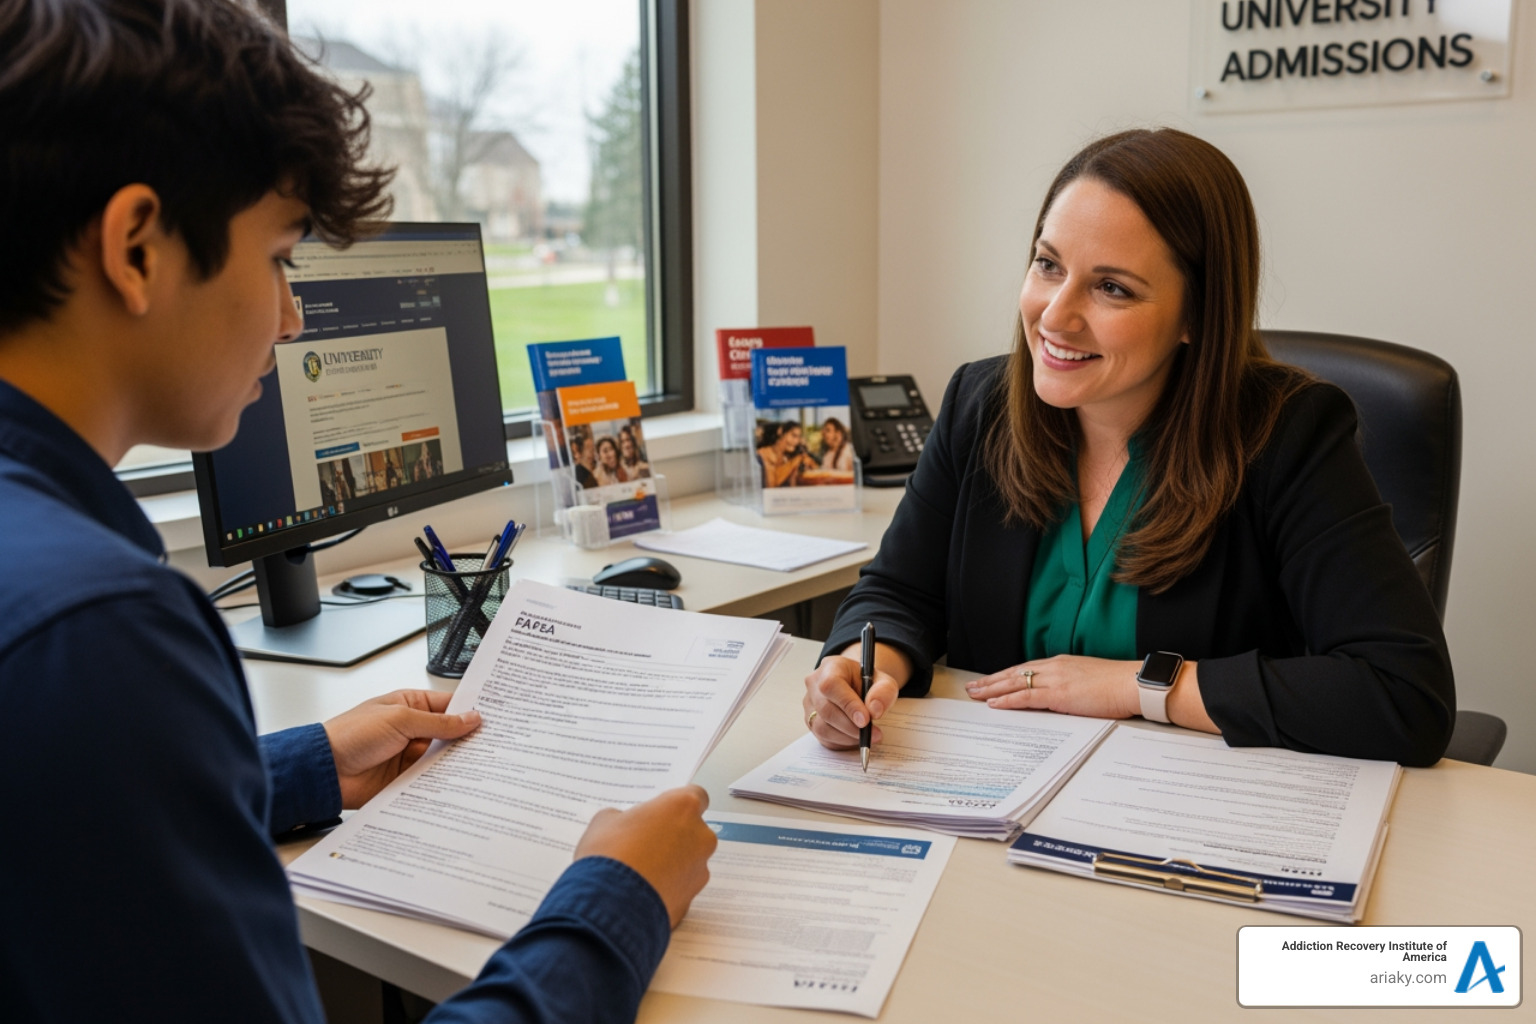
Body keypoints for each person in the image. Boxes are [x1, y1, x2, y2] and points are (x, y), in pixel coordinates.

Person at [0, 2, 717, 1021]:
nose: (293, 318)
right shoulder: (99, 633)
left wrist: (302, 767)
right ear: (138, 247)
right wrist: (618, 898)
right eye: (280, 259)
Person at [802, 128, 1454, 768]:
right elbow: (899, 592)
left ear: (1197, 315)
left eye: (1111, 287)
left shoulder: (1288, 434)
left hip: (1189, 807)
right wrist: (860, 669)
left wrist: (1139, 685)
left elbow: (1405, 693)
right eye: (1048, 264)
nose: (1055, 316)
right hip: (993, 790)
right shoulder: (982, 404)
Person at [756, 421, 818, 488]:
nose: (796, 441)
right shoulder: (764, 454)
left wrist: (808, 464)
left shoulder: (787, 457)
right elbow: (771, 485)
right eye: (793, 436)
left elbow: (793, 485)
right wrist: (794, 461)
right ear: (781, 432)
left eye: (798, 437)